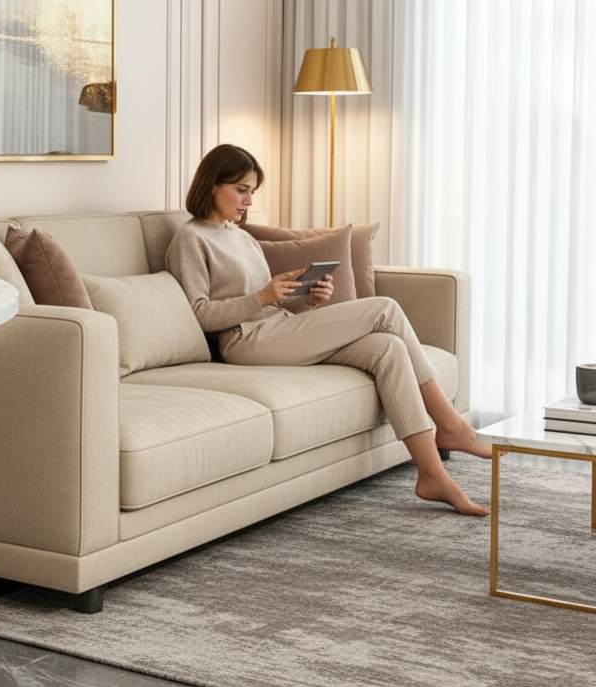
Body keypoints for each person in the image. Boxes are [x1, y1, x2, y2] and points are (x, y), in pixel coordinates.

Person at [166, 144, 492, 516]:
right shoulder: (190, 239)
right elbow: (199, 314)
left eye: (252, 191)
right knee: (385, 308)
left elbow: (272, 302)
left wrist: (306, 298)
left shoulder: (241, 237)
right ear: (212, 185)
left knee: (388, 348)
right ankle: (449, 423)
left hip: (278, 329)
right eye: (241, 189)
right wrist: (262, 296)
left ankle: (431, 474)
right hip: (245, 342)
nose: (248, 201)